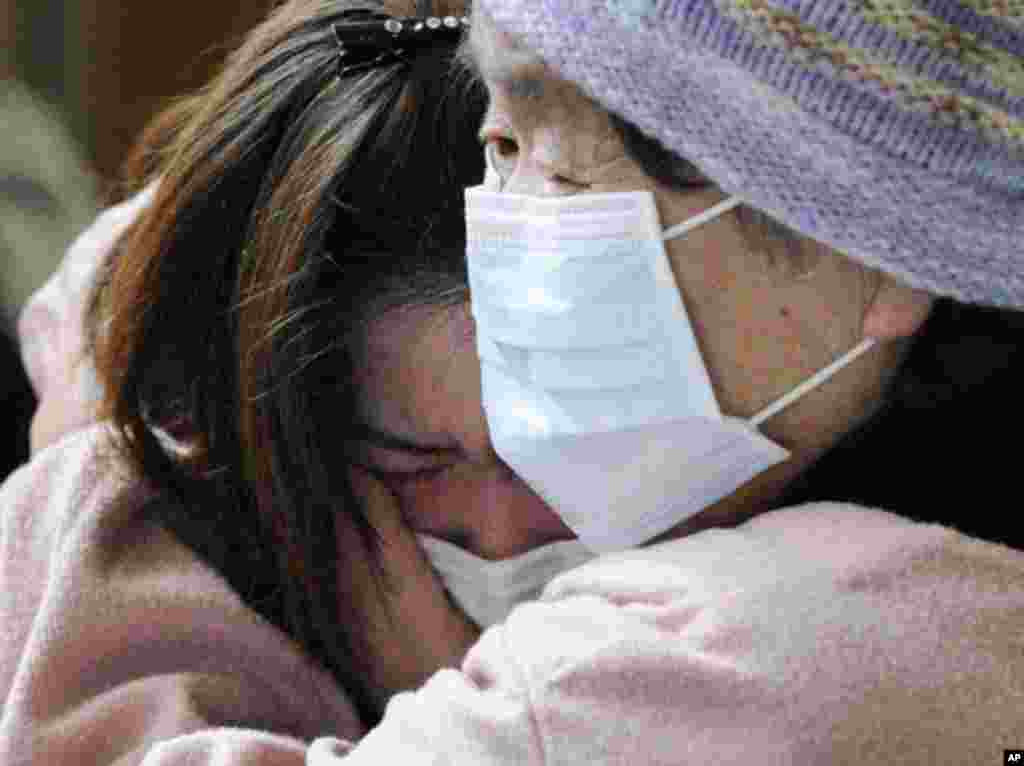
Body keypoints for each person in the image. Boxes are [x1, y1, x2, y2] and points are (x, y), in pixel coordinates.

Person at [310, 1, 1024, 762]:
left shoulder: (631, 678)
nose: (509, 238)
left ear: (887, 251)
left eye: (568, 175)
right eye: (503, 146)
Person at [2, 1, 497, 763]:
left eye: (539, 448)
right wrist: (455, 706)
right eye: (415, 464)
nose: (501, 530)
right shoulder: (127, 517)